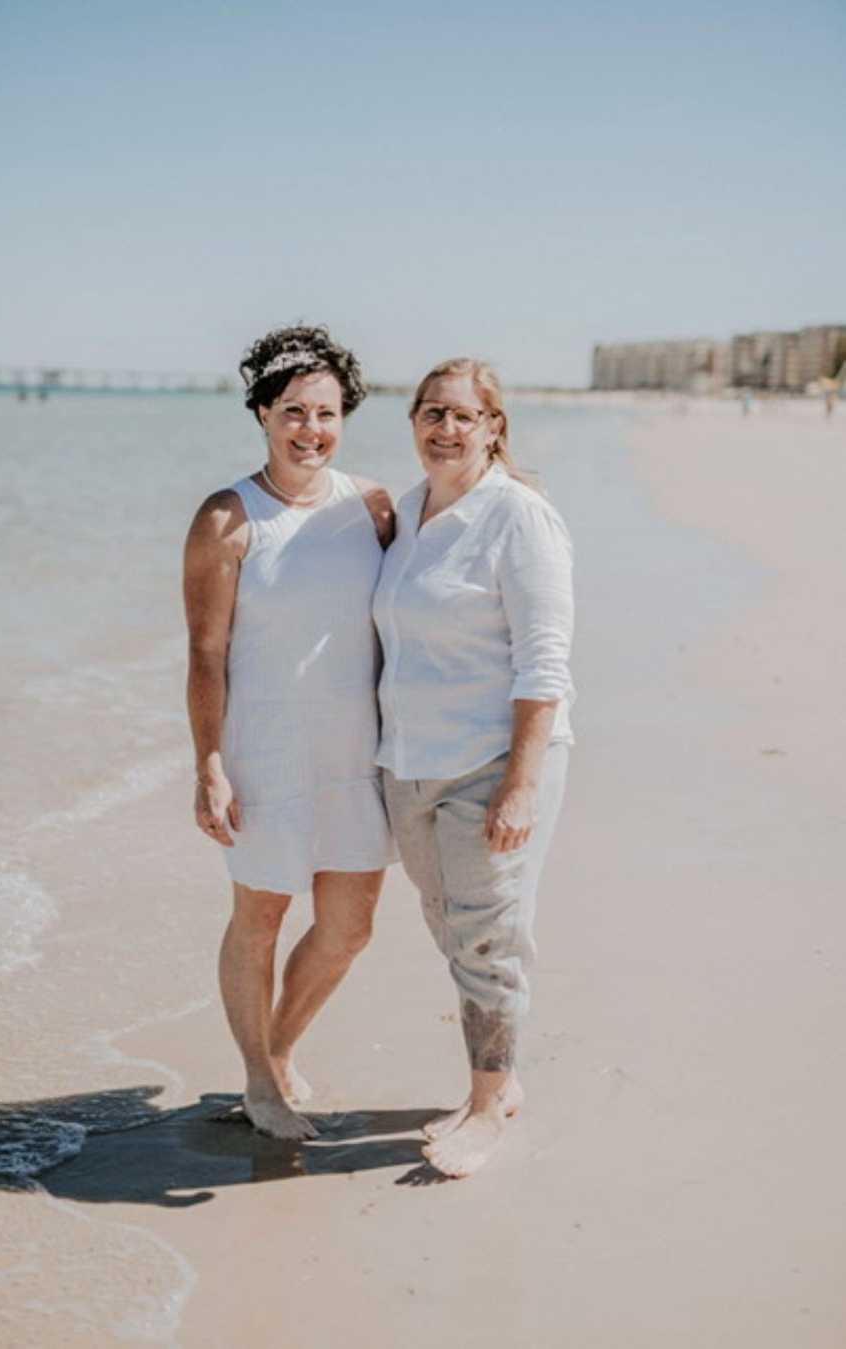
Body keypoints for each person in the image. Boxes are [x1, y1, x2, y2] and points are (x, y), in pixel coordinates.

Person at [183, 325, 395, 1140]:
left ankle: (276, 1048)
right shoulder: (228, 519)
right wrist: (209, 763)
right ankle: (261, 1082)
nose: (313, 429)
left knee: (349, 927)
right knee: (261, 918)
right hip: (265, 752)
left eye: (328, 413)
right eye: (295, 412)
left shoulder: (373, 507)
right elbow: (206, 653)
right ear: (264, 414)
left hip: (357, 754)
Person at [373, 358, 575, 1177]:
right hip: (408, 763)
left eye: (463, 416)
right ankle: (501, 1078)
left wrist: (520, 784)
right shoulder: (406, 513)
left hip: (491, 763)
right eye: (431, 413)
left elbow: (544, 664)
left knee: (487, 939)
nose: (445, 429)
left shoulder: (520, 519)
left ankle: (488, 1106)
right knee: (448, 925)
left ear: (495, 427)